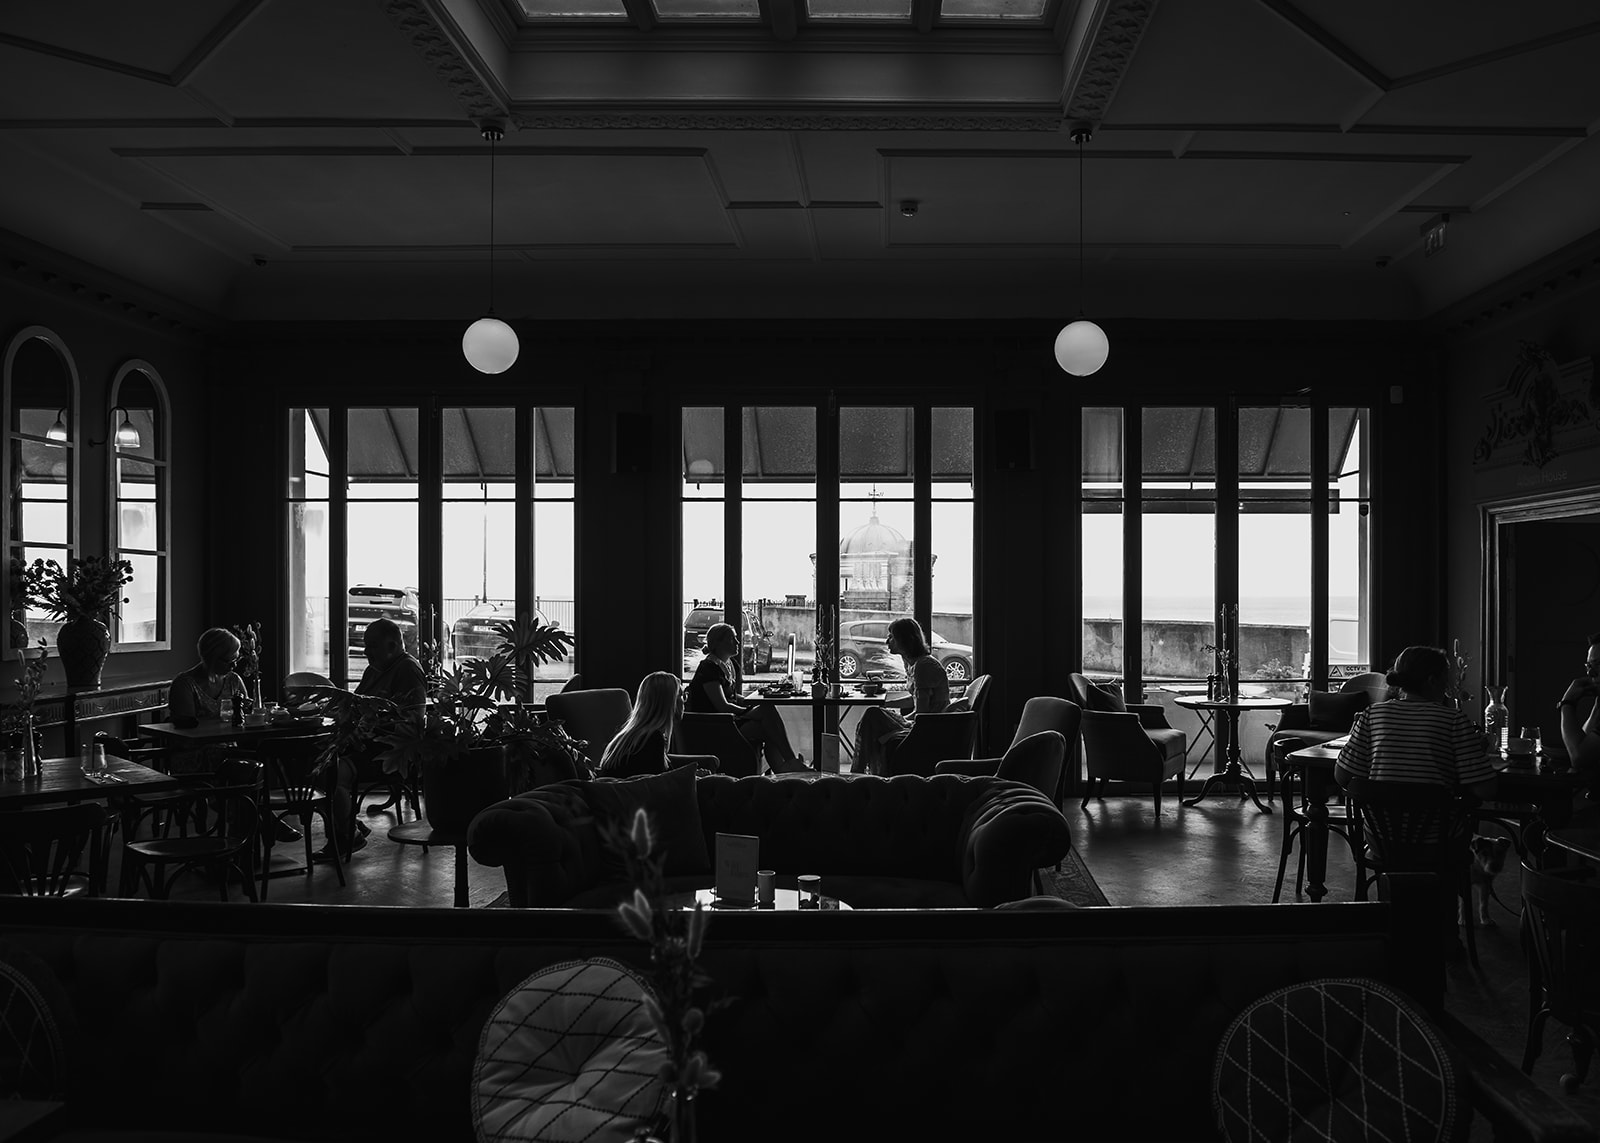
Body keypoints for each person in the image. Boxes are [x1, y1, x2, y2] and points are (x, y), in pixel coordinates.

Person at [317, 617, 427, 862]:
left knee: (331, 772)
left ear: (392, 645)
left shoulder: (408, 670)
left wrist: (364, 726)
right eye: (366, 646)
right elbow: (355, 706)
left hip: (389, 752)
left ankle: (346, 836)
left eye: (372, 646)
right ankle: (348, 826)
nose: (366, 652)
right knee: (318, 765)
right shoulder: (374, 669)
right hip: (367, 746)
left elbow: (412, 721)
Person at [687, 622, 808, 773]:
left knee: (768, 724)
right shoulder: (708, 669)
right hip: (716, 726)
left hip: (729, 720)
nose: (738, 642)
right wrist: (748, 711)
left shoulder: (729, 664)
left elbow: (731, 697)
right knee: (767, 716)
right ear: (717, 644)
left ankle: (785, 769)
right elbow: (722, 706)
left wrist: (749, 701)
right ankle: (788, 765)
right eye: (732, 639)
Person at [852, 617, 951, 775]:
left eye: (891, 636)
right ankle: (864, 772)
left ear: (905, 640)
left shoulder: (924, 666)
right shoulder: (915, 664)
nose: (887, 641)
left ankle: (859, 772)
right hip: (925, 722)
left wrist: (897, 718)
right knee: (874, 716)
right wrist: (886, 705)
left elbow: (922, 714)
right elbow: (914, 700)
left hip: (929, 727)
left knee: (872, 715)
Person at [599, 672, 686, 778]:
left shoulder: (633, 736)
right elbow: (658, 787)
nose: (684, 701)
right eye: (682, 696)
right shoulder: (652, 740)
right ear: (670, 703)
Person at [168, 627, 247, 729]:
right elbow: (186, 727)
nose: (234, 665)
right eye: (229, 661)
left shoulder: (233, 680)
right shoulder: (184, 684)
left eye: (236, 659)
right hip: (196, 743)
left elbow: (247, 714)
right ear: (212, 657)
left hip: (230, 742)